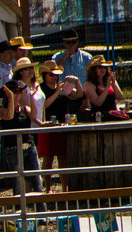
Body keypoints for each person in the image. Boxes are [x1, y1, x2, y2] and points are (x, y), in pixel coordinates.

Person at [38, 60, 81, 191]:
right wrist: (57, 92)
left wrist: (77, 82)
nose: (55, 77)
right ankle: (48, 188)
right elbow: (44, 105)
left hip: (62, 125)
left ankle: (65, 187)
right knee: (48, 159)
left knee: (63, 158)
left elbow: (78, 95)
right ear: (45, 75)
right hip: (48, 125)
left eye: (56, 75)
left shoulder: (63, 86)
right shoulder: (41, 88)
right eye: (51, 75)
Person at [0, 79, 42, 194]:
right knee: (18, 185)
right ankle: (19, 210)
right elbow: (9, 116)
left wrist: (31, 96)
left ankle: (40, 209)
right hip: (12, 150)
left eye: (20, 91)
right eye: (16, 91)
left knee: (36, 182)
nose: (18, 94)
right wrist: (11, 99)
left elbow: (34, 115)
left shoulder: (24, 108)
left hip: (29, 147)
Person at [83, 55, 123, 122]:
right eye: (100, 67)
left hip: (113, 115)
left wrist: (113, 83)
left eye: (105, 67)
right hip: (99, 117)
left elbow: (120, 97)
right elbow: (98, 103)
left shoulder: (110, 80)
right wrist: (107, 88)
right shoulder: (88, 84)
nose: (103, 70)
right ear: (93, 69)